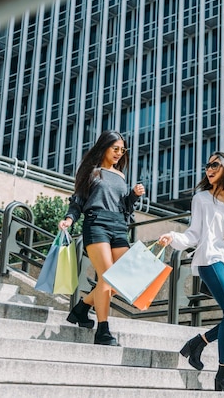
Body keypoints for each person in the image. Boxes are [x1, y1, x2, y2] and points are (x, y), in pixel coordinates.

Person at [158, 151, 224, 392]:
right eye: (207, 166)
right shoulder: (202, 198)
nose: (209, 169)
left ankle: (197, 343)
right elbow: (194, 234)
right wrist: (172, 237)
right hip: (209, 259)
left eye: (215, 165)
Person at [59, 130, 145, 346]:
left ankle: (81, 308)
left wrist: (133, 195)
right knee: (107, 277)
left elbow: (124, 208)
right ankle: (103, 331)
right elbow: (78, 200)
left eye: (122, 150)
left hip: (118, 226)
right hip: (96, 224)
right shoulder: (92, 172)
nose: (118, 153)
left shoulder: (121, 175)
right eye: (115, 148)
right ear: (104, 147)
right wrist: (70, 219)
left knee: (123, 279)